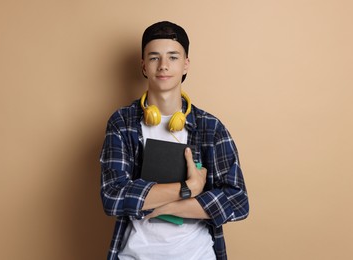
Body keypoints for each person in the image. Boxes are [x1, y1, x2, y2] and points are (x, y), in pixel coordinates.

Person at [100, 21, 249, 260]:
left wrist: (168, 206)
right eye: (154, 58)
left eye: (173, 57)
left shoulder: (210, 127)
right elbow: (113, 196)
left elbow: (238, 200)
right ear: (143, 66)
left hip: (197, 255)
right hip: (135, 254)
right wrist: (189, 188)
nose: (163, 66)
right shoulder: (122, 123)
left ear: (186, 64)